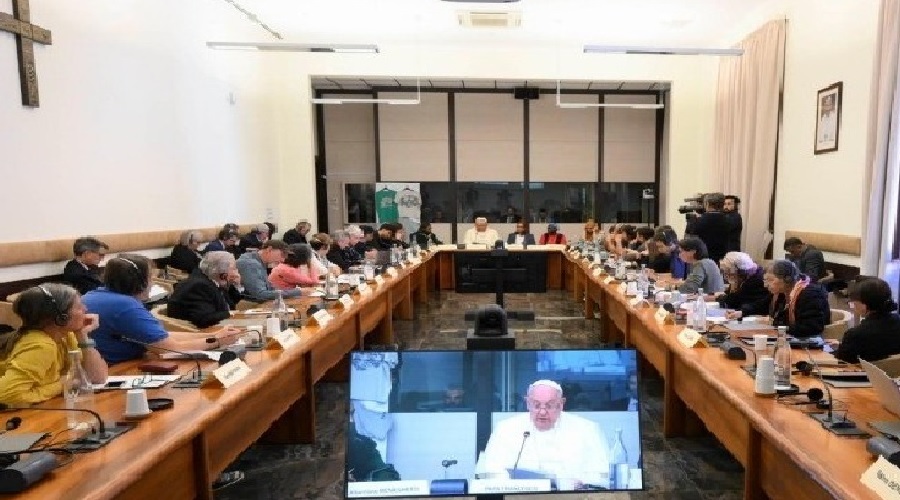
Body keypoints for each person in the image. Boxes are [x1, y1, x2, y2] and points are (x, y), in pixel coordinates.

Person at [82, 255, 242, 364]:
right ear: (140, 281)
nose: (152, 284)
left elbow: (161, 337)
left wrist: (212, 335)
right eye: (151, 278)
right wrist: (218, 341)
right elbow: (169, 347)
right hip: (115, 371)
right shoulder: (125, 306)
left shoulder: (95, 295)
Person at [477, 380, 609, 487]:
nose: (542, 411)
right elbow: (491, 471)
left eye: (549, 405)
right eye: (536, 405)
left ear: (561, 404)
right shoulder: (506, 429)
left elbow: (602, 474)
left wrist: (578, 483)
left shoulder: (587, 429)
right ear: (527, 403)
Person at [0, 284, 108, 405]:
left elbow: (97, 378)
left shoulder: (66, 335)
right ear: (61, 317)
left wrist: (83, 336)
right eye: (79, 306)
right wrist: (63, 385)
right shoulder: (40, 345)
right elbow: (7, 394)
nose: (85, 309)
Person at [733, 260, 830, 338]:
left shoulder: (810, 295)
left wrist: (774, 323)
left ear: (787, 279)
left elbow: (811, 328)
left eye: (770, 280)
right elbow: (761, 305)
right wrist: (742, 312)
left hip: (808, 344)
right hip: (788, 339)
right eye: (765, 280)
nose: (765, 285)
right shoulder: (782, 292)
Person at [830, 277, 900, 363]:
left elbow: (842, 364)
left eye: (853, 303)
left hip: (864, 375)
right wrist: (844, 346)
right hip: (894, 374)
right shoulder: (897, 322)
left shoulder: (856, 335)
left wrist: (843, 347)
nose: (852, 306)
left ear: (864, 305)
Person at [166, 252, 243, 329]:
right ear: (222, 274)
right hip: (196, 334)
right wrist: (229, 313)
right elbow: (204, 319)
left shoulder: (211, 279)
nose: (236, 272)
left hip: (220, 327)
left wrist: (236, 285)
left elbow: (232, 303)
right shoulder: (199, 286)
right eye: (233, 268)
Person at [235, 240, 301, 302]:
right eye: (282, 255)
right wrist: (297, 291)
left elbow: (269, 289)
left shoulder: (259, 262)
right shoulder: (250, 264)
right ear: (269, 249)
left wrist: (293, 291)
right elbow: (260, 295)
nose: (283, 260)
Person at [685, 192, 730, 264]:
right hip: (721, 259)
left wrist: (691, 220)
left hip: (702, 260)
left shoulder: (698, 221)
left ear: (707, 204)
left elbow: (688, 240)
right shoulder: (728, 220)